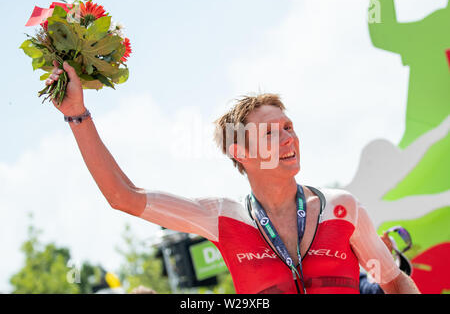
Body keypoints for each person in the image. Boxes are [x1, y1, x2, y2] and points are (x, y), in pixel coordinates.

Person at [45, 61, 420, 294]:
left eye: (289, 126)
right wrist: (77, 115)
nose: (289, 137)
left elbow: (393, 280)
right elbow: (123, 196)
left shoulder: (343, 208)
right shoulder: (222, 218)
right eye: (271, 133)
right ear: (240, 152)